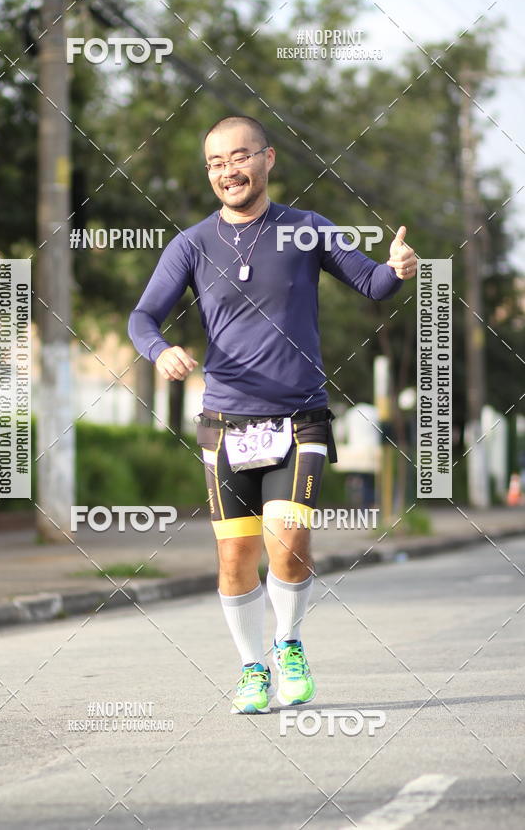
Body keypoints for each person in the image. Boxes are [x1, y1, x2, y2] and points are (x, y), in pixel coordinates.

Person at [128, 115, 417, 714]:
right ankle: (251, 668)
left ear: (267, 159)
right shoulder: (191, 245)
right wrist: (160, 351)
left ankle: (288, 643)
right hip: (226, 424)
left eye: (239, 157)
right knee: (235, 556)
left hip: (298, 417)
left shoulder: (307, 229)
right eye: (215, 163)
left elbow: (372, 284)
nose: (228, 171)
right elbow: (142, 318)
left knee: (287, 541)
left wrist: (396, 269)